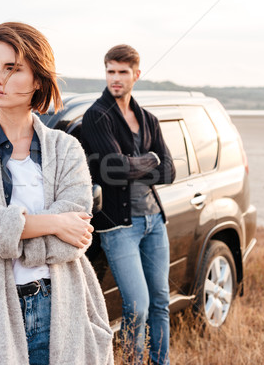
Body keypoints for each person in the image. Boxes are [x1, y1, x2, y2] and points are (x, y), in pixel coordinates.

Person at [0, 22, 113, 365]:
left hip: (59, 304)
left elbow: (73, 238)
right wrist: (55, 222)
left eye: (13, 69)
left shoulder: (67, 149)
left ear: (37, 80)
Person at [81, 44, 176, 365]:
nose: (116, 78)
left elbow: (170, 171)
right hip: (119, 225)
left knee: (160, 300)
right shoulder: (97, 115)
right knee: (137, 305)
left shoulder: (148, 119)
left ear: (136, 74)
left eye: (123, 72)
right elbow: (115, 168)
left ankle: (159, 361)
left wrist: (136, 163)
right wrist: (150, 159)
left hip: (154, 221)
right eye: (110, 71)